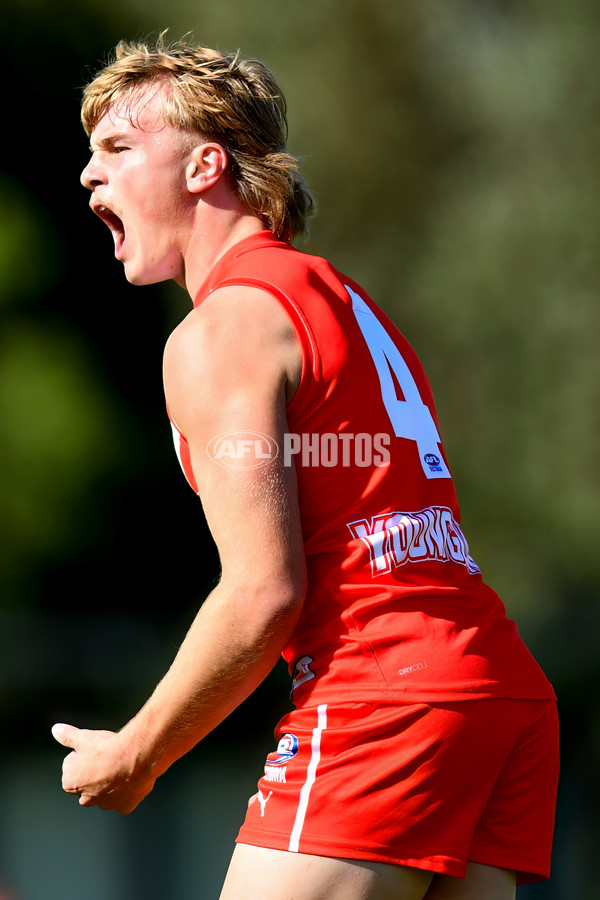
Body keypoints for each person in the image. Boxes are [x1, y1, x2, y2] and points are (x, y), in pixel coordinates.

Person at [52, 36, 559, 900]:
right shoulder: (350, 304)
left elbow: (263, 593)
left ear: (205, 165)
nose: (89, 176)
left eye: (118, 149)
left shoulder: (221, 330)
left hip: (385, 699)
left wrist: (138, 752)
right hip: (498, 693)